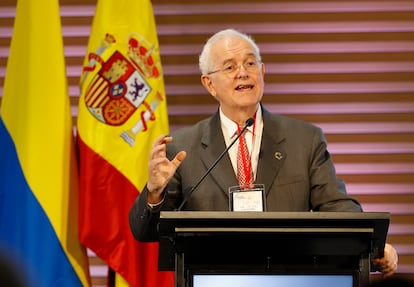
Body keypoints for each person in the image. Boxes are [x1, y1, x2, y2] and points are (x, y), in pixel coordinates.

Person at [129, 28, 398, 277]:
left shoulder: (304, 139)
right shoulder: (182, 148)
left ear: (263, 71)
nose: (243, 73)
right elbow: (145, 232)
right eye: (230, 67)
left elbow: (336, 205)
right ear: (209, 84)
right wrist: (154, 193)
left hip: (289, 277)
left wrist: (375, 244)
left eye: (250, 63)